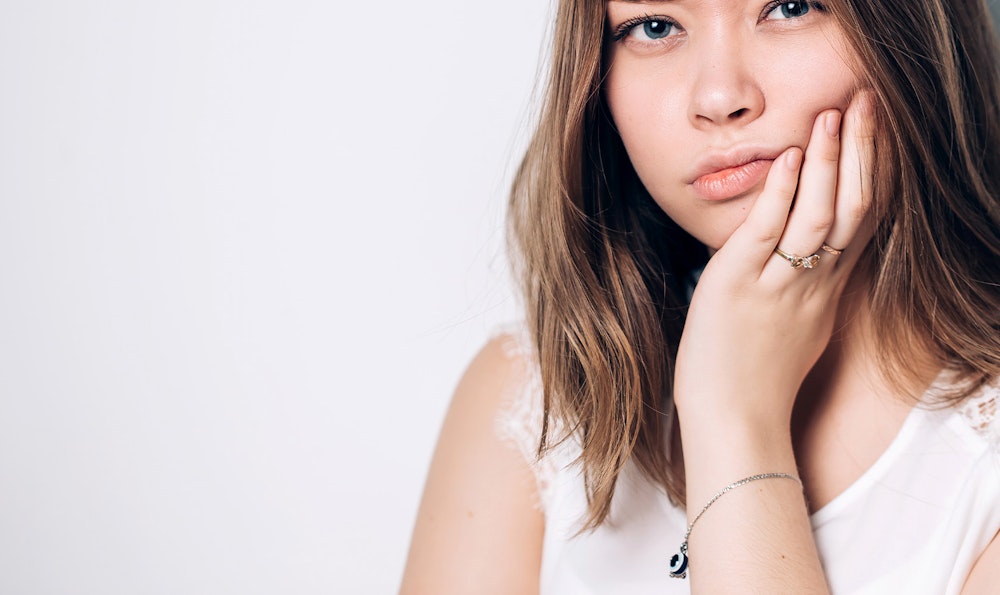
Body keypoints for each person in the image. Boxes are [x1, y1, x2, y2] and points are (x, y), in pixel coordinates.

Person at [400, 0, 1000, 592]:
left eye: (789, 7)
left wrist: (734, 417)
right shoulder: (532, 402)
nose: (718, 97)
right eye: (653, 26)